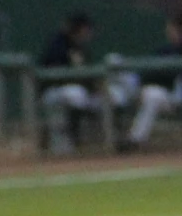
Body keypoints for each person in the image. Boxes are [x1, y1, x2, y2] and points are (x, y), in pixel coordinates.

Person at [39, 12, 126, 154]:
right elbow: (55, 74)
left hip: (79, 93)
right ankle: (69, 136)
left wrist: (99, 89)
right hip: (54, 92)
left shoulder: (80, 47)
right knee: (76, 95)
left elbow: (88, 75)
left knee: (109, 98)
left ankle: (112, 139)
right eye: (86, 29)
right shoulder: (57, 45)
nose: (89, 33)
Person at [126, 12, 182, 148]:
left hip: (171, 97)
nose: (169, 32)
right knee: (114, 60)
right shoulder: (165, 50)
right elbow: (146, 71)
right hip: (143, 89)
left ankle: (135, 140)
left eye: (173, 29)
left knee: (152, 95)